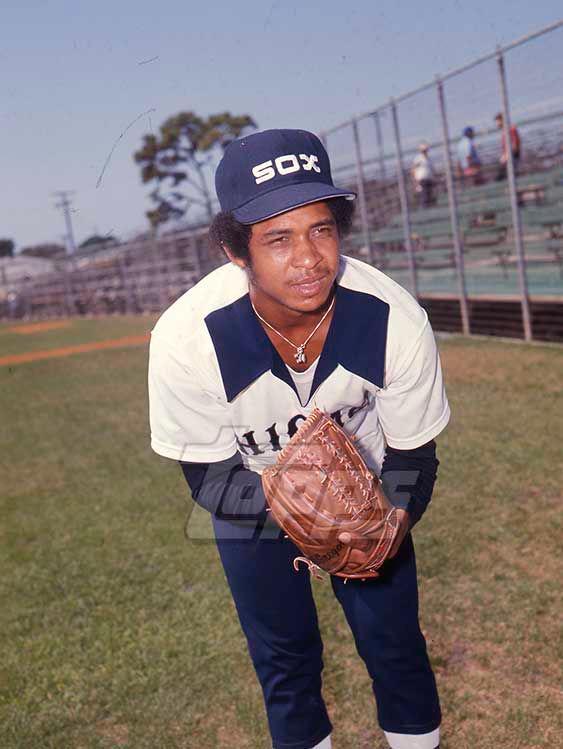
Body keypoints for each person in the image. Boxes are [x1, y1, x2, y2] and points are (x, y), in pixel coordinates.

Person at [148, 128, 450, 749]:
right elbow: (209, 479)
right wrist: (306, 513)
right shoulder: (187, 339)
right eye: (278, 239)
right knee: (285, 666)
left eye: (321, 230)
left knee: (395, 645)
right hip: (253, 499)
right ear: (236, 251)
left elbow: (414, 453)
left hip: (367, 495)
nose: (308, 258)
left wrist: (389, 519)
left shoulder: (392, 317)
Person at [494, 112, 521, 181]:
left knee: (501, 178)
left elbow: (515, 146)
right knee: (501, 177)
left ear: (502, 120)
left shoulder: (511, 129)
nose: (497, 124)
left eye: (498, 122)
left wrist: (507, 155)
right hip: (507, 159)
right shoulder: (505, 131)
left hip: (511, 158)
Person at [411, 142, 435, 208]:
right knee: (424, 194)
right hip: (422, 179)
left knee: (429, 194)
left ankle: (428, 206)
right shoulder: (418, 158)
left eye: (426, 150)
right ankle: (424, 207)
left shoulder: (429, 159)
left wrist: (433, 177)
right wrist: (415, 180)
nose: (425, 151)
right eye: (424, 150)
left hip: (429, 179)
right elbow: (413, 169)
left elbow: (432, 169)